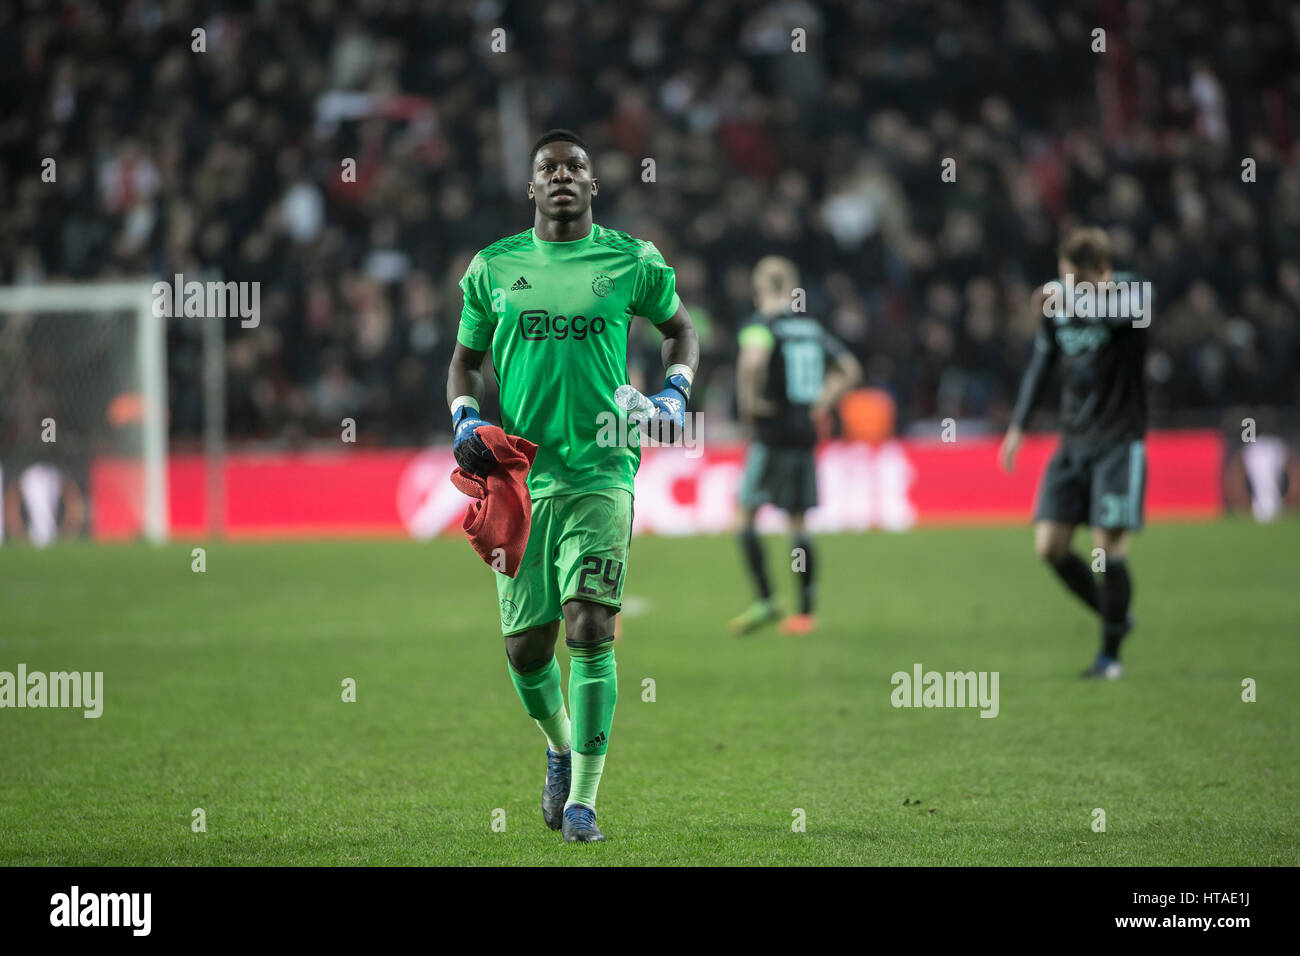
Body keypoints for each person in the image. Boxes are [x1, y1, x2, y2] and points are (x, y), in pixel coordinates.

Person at [446, 130, 699, 841]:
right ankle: (558, 747)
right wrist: (465, 415)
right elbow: (463, 363)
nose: (562, 176)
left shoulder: (631, 260)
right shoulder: (493, 269)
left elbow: (682, 332)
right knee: (527, 649)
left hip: (602, 471)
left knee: (591, 626)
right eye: (548, 169)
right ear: (531, 188)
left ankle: (584, 802)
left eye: (576, 167)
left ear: (594, 185)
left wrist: (676, 396)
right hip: (523, 478)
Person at [999, 227, 1149, 679]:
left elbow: (1123, 312)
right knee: (1050, 547)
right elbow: (1042, 362)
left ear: (1104, 273)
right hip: (1072, 442)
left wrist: (1063, 298)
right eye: (1066, 278)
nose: (1070, 289)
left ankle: (1110, 657)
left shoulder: (1135, 296)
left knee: (1108, 546)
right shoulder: (1059, 305)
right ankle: (1116, 614)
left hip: (1118, 443)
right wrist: (1018, 426)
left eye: (1080, 281)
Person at [729, 256, 861, 636]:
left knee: (746, 517)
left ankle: (767, 598)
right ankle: (805, 612)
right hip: (805, 433)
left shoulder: (760, 325)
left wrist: (749, 406)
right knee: (799, 524)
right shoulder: (809, 327)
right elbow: (850, 369)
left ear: (759, 288)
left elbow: (751, 363)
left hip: (772, 433)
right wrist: (822, 399)